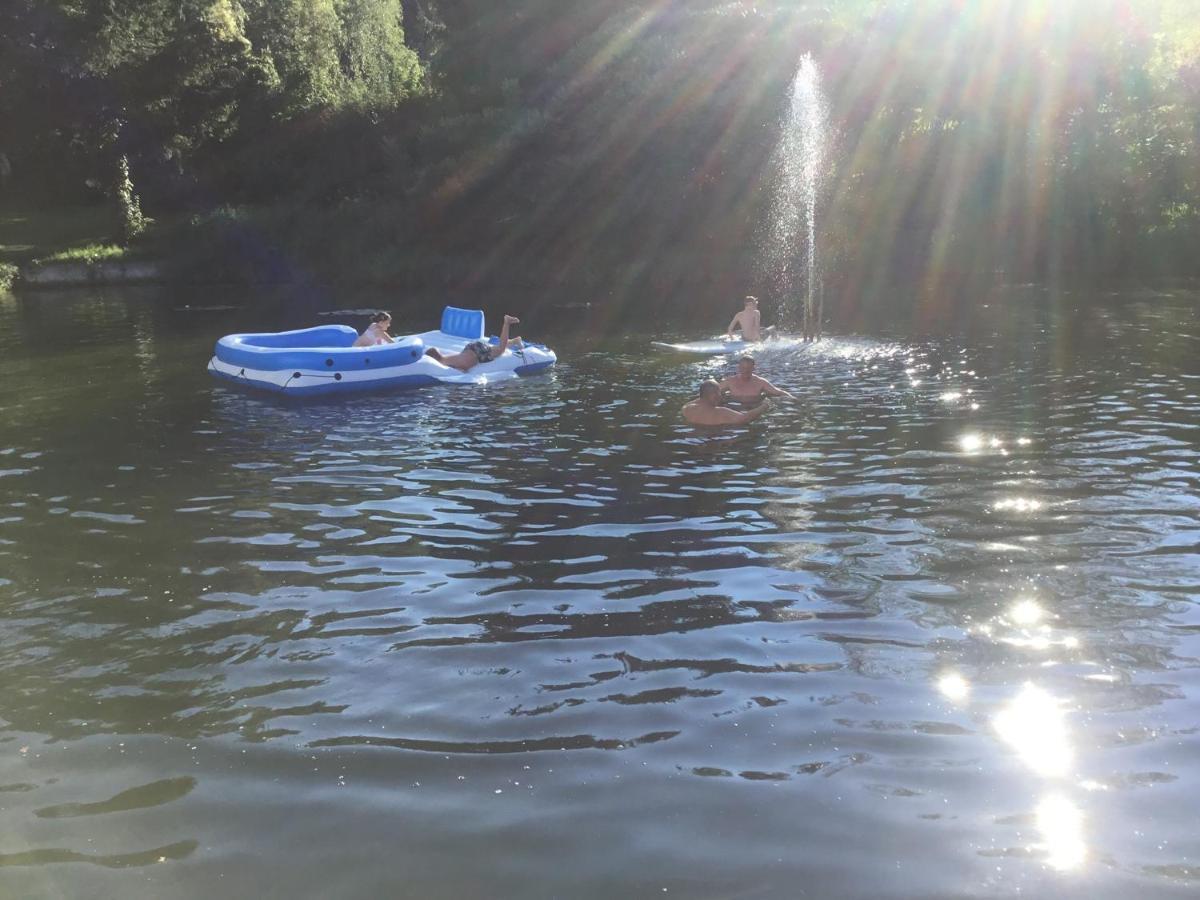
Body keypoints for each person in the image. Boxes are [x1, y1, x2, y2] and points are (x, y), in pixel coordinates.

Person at [425, 314, 523, 372]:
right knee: (497, 348)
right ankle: (515, 340)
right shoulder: (444, 358)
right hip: (472, 349)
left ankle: (507, 323)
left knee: (501, 349)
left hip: (477, 353)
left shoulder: (444, 365)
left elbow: (463, 370)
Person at [683, 380, 771, 426]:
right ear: (713, 395)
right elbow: (744, 419)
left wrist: (704, 396)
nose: (720, 396)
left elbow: (687, 404)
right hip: (716, 441)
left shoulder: (688, 408)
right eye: (718, 393)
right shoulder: (721, 412)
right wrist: (764, 406)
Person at [719, 355, 795, 402]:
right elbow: (711, 392)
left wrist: (794, 399)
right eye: (743, 368)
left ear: (753, 368)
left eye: (748, 368)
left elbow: (778, 392)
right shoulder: (730, 381)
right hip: (733, 409)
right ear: (739, 368)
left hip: (754, 408)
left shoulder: (760, 382)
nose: (745, 370)